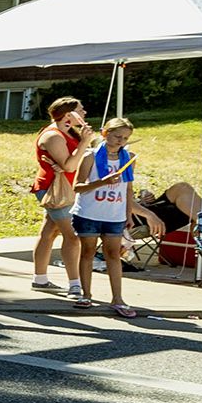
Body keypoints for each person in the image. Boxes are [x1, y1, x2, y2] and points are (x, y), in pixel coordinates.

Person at [75, 117, 145, 317]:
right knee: (87, 252)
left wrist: (128, 212)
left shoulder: (128, 157)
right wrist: (101, 182)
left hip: (114, 214)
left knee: (114, 255)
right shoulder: (90, 156)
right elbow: (77, 187)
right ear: (105, 133)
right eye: (116, 136)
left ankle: (118, 298)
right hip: (89, 212)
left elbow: (128, 188)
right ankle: (86, 294)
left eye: (125, 138)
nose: (120, 141)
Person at [30, 97, 90, 294]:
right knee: (72, 236)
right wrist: (84, 143)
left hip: (64, 189)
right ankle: (75, 284)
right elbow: (69, 165)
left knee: (50, 232)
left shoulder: (66, 132)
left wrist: (84, 141)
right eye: (80, 110)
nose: (84, 113)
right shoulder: (53, 136)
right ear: (68, 115)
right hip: (54, 190)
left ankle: (39, 279)